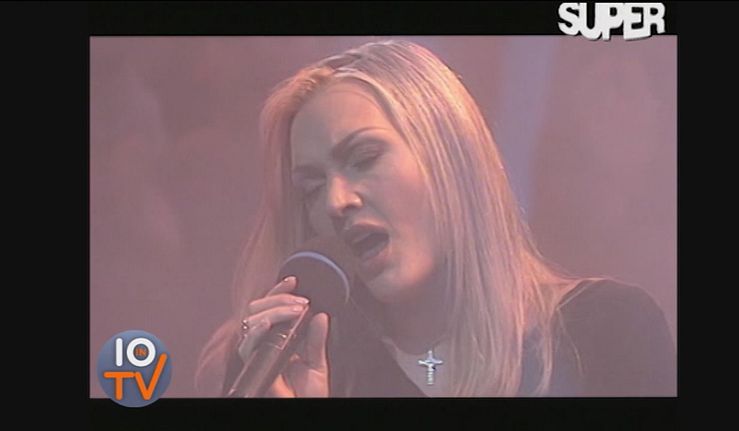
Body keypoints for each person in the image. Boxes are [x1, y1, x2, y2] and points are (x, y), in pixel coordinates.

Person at [194, 40, 676, 397]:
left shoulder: (608, 332)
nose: (335, 202)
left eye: (364, 158)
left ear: (451, 159)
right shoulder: (298, 371)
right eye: (312, 188)